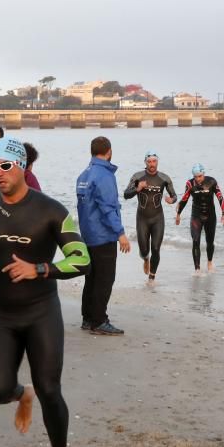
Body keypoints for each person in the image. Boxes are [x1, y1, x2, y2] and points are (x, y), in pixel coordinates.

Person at [0, 136, 91, 447]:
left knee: (50, 388)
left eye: (5, 166)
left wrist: (41, 269)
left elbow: (82, 259)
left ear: (22, 168)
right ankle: (22, 395)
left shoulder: (51, 211)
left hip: (40, 312)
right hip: (0, 315)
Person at [75, 136, 130, 336]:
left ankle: (88, 317)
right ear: (109, 151)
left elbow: (83, 209)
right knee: (104, 279)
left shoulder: (83, 175)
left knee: (91, 278)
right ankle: (99, 320)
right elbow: (108, 208)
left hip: (88, 234)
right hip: (103, 236)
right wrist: (120, 233)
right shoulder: (104, 175)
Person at [122, 150, 176, 281]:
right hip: (142, 219)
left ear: (157, 161)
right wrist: (138, 189)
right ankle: (146, 259)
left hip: (158, 218)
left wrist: (172, 200)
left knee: (156, 248)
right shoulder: (138, 176)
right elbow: (126, 194)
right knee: (144, 249)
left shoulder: (164, 178)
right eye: (149, 161)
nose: (152, 164)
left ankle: (152, 277)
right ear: (145, 162)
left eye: (154, 161)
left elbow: (174, 196)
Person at [176, 164, 224, 273]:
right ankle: (197, 269)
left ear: (203, 174)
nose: (198, 179)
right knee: (195, 241)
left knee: (210, 242)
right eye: (195, 177)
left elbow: (220, 198)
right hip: (196, 215)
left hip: (210, 216)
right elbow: (185, 198)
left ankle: (209, 262)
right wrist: (178, 214)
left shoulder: (212, 181)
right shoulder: (190, 183)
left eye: (199, 176)